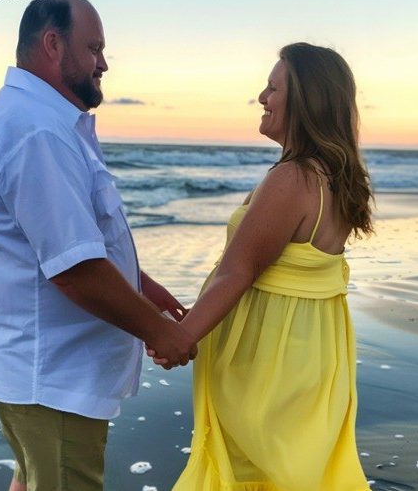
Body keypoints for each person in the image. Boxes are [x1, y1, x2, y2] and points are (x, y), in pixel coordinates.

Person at [0, 0, 197, 491]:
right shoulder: (37, 132)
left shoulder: (40, 121)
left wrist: (142, 288)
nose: (103, 63)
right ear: (52, 44)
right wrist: (159, 332)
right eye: (94, 48)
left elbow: (75, 241)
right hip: (53, 377)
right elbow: (74, 269)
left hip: (39, 373)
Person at [150, 42, 374, 490]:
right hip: (310, 354)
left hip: (269, 363)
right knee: (292, 470)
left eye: (273, 88)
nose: (262, 97)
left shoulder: (293, 177)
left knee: (253, 472)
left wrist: (180, 337)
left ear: (306, 101)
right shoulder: (334, 177)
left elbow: (239, 271)